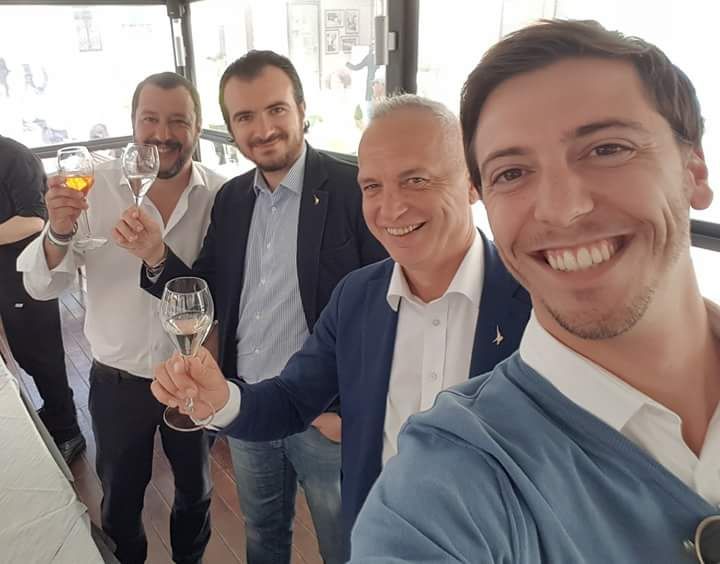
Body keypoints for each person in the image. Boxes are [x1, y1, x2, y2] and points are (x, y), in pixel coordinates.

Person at [349, 19, 720, 563]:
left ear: (694, 170)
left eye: (607, 149)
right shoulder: (442, 490)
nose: (563, 209)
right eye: (512, 173)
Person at [149, 94, 532, 555]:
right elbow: (292, 398)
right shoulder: (357, 297)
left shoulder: (539, 305)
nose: (391, 208)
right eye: (372, 186)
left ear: (473, 182)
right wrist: (222, 399)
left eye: (416, 180)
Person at [117, 50, 387, 564]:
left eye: (275, 110)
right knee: (263, 534)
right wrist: (154, 253)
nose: (263, 129)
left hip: (325, 417)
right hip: (247, 403)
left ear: (301, 109)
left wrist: (354, 410)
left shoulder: (353, 188)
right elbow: (208, 293)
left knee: (346, 545)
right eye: (244, 117)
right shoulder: (234, 198)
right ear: (231, 128)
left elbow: (389, 307)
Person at [18, 72, 226, 564]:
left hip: (192, 378)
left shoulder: (223, 194)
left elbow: (224, 291)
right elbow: (41, 285)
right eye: (150, 119)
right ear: (132, 122)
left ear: (198, 127)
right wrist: (59, 230)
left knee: (195, 491)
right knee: (120, 498)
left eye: (179, 121)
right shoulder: (94, 189)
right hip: (117, 380)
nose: (162, 133)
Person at [0, 134, 85, 463]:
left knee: (41, 357)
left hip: (27, 273)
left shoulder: (13, 156)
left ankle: (69, 431)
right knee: (23, 356)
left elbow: (34, 220)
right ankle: (53, 410)